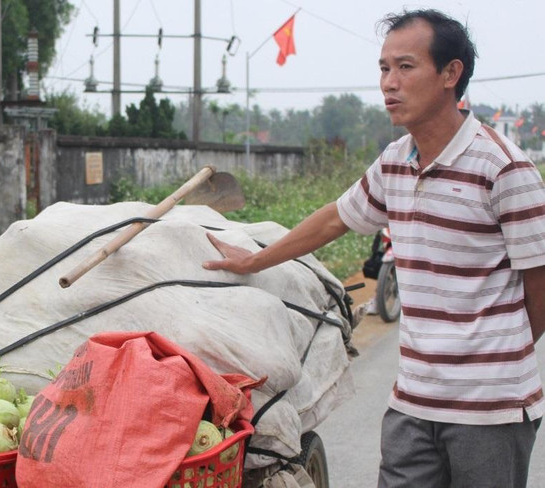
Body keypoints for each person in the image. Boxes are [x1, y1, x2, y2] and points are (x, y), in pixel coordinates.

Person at [202, 9, 544, 488]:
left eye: (405, 67)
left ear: (451, 73)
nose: (389, 83)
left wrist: (494, 357)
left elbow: (539, 285)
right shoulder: (394, 162)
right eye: (384, 68)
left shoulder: (504, 168)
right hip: (413, 402)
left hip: (490, 409)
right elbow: (335, 217)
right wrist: (255, 258)